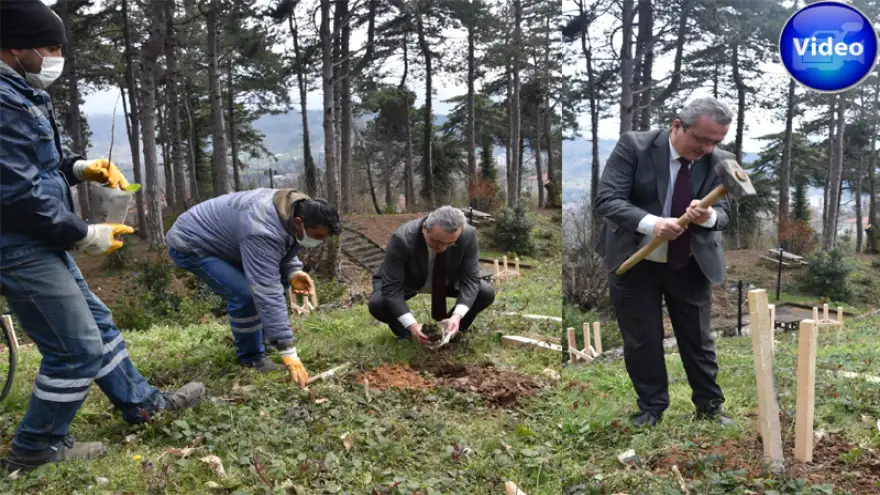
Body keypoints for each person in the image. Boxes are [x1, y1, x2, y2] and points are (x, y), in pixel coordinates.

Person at [0, 0, 204, 472]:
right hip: (17, 245)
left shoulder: (21, 90)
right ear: (15, 46)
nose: (57, 57)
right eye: (50, 47)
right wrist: (85, 234)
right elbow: (15, 193)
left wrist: (78, 168)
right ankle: (36, 449)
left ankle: (142, 405)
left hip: (37, 239)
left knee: (101, 324)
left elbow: (37, 163)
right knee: (75, 350)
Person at [594, 96, 736, 428]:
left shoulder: (722, 161)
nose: (706, 148)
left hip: (689, 261)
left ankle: (710, 405)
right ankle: (651, 408)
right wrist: (653, 223)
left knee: (697, 338)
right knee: (642, 338)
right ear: (677, 126)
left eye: (715, 142)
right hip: (634, 258)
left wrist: (707, 216)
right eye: (701, 139)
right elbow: (608, 199)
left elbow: (727, 217)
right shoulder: (635, 147)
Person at [166, 189, 341, 386]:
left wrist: (293, 271)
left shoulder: (298, 209)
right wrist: (288, 351)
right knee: (246, 295)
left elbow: (284, 244)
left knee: (280, 280)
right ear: (299, 223)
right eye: (316, 236)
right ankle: (252, 358)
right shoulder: (261, 228)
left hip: (230, 239)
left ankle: (265, 342)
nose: (318, 241)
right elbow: (266, 289)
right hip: (192, 243)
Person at [369, 206, 495, 344]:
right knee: (378, 304)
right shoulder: (402, 239)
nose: (442, 248)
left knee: (485, 293)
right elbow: (391, 288)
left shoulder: (468, 235)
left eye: (450, 244)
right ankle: (409, 336)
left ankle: (450, 332)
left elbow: (471, 280)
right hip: (409, 281)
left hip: (448, 281)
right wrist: (412, 325)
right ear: (424, 228)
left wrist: (457, 317)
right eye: (436, 241)